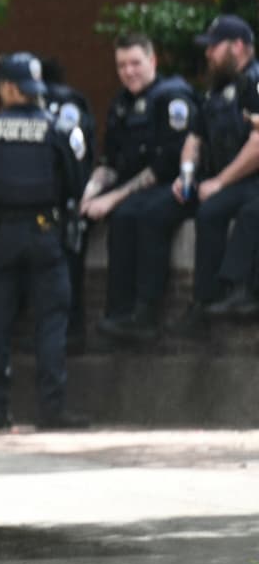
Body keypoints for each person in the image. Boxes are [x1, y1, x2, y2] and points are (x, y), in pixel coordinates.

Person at [0, 52, 88, 430]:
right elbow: (75, 185)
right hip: (47, 234)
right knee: (51, 322)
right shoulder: (59, 129)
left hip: (3, 235)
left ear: (7, 87)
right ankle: (52, 410)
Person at [79, 33, 197, 342]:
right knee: (113, 217)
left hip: (175, 185)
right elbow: (111, 161)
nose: (129, 71)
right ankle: (116, 313)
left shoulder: (173, 97)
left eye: (135, 63)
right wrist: (90, 192)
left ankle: (145, 313)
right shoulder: (122, 103)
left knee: (140, 215)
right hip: (137, 188)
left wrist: (113, 198)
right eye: (122, 65)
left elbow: (166, 164)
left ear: (153, 61)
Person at [182, 15, 259, 326]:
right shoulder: (217, 90)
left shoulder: (254, 82)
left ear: (237, 46)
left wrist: (219, 182)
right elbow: (194, 137)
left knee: (251, 211)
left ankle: (242, 291)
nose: (208, 54)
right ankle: (206, 297)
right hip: (232, 179)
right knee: (209, 212)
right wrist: (186, 174)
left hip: (250, 177)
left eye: (214, 47)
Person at [41, 58, 97, 351]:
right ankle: (72, 332)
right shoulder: (76, 104)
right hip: (73, 204)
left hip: (44, 207)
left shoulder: (40, 107)